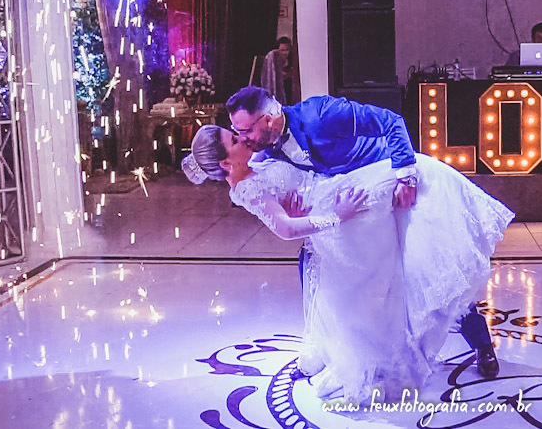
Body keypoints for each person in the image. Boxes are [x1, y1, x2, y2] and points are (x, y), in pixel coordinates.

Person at [182, 124, 513, 402]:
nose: (244, 138)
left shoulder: (260, 155)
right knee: (390, 279)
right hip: (340, 220)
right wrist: (335, 216)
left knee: (425, 237)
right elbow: (285, 228)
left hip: (341, 192)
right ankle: (377, 355)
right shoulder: (246, 189)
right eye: (235, 139)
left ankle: (480, 341)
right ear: (225, 163)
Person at [224, 86, 504, 377]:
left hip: (393, 185)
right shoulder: (266, 147)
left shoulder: (321, 114)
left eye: (245, 130)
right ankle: (334, 348)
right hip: (360, 206)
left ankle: (483, 345)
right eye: (236, 131)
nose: (242, 137)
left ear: (268, 119)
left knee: (434, 269)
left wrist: (406, 178)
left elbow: (391, 121)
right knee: (318, 264)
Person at [254, 37, 292, 104]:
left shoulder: (292, 61)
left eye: (287, 50)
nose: (285, 53)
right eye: (282, 50)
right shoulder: (273, 62)